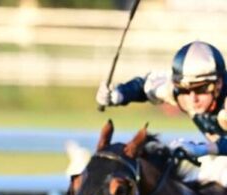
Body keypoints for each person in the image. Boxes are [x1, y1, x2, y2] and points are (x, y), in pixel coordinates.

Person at [96, 40, 227, 186]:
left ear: (219, 84)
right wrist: (119, 94)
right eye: (184, 90)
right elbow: (144, 86)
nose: (192, 98)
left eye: (201, 89)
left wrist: (202, 149)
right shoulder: (177, 91)